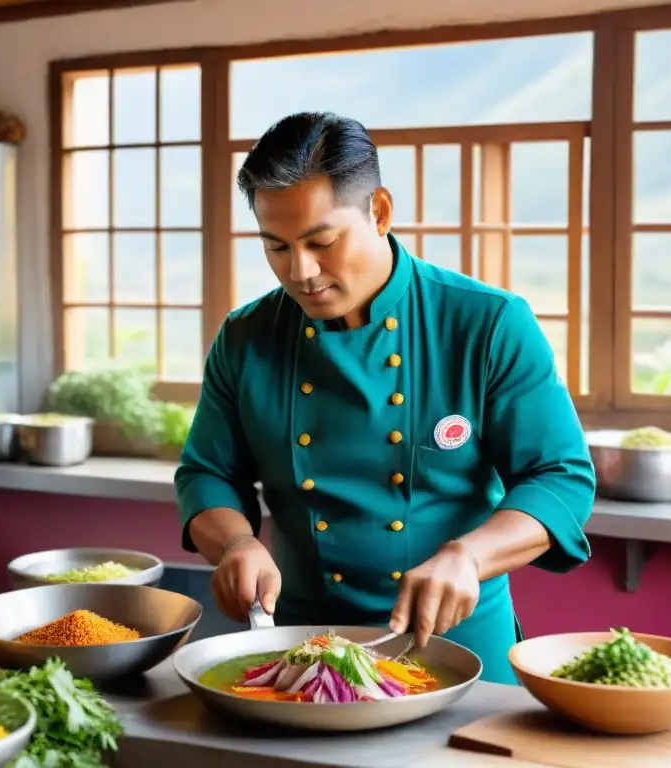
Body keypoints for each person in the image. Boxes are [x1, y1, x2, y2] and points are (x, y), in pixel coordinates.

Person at [174, 112, 595, 684]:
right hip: (301, 650)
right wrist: (236, 544)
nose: (300, 271)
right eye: (276, 247)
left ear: (379, 212)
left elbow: (560, 477)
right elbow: (206, 472)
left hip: (455, 653)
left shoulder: (487, 323)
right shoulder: (246, 338)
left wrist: (469, 557)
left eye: (321, 242)